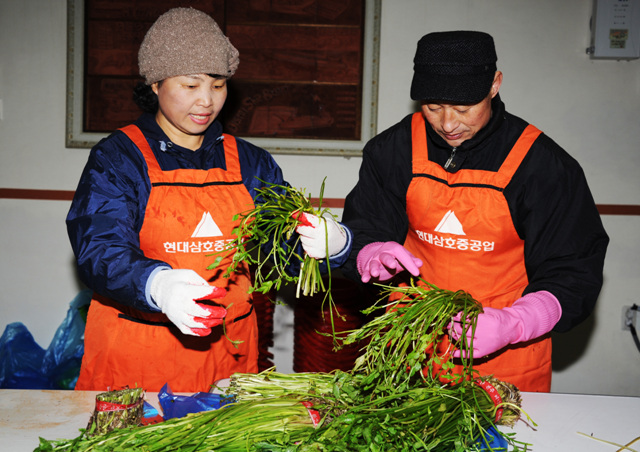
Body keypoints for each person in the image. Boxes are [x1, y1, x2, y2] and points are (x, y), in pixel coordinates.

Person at [66, 7, 351, 393]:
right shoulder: (119, 158)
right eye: (190, 85)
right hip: (138, 356)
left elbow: (275, 251)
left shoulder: (249, 161)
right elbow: (98, 247)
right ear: (155, 84)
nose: (206, 101)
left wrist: (327, 246)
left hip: (227, 355)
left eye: (218, 85)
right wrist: (158, 286)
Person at [341, 30, 609, 392]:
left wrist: (515, 323)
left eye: (464, 109)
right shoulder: (392, 150)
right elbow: (366, 225)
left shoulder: (542, 165)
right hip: (409, 348)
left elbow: (574, 270)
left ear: (494, 85)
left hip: (506, 355)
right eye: (433, 107)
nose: (448, 124)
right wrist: (367, 249)